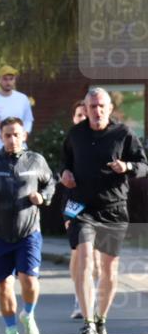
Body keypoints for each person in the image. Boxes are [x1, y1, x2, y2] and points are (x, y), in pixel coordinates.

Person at [61, 87, 148, 334]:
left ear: (109, 109)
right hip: (82, 208)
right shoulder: (75, 134)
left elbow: (143, 165)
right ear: (85, 109)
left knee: (109, 269)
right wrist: (64, 174)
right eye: (92, 107)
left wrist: (128, 166)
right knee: (85, 257)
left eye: (101, 106)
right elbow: (64, 163)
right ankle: (87, 324)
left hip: (113, 209)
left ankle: (100, 320)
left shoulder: (123, 134)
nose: (97, 111)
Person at [0, 117, 56, 334]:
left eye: (16, 134)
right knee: (4, 285)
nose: (12, 139)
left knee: (29, 278)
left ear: (24, 135)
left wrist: (43, 197)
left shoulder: (35, 160)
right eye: (7, 135)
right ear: (1, 137)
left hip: (28, 231)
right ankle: (10, 332)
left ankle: (28, 314)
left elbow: (50, 183)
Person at [67, 99, 98, 320]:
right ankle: (79, 297)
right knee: (77, 253)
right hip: (73, 201)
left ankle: (90, 298)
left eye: (84, 114)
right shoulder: (72, 139)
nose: (82, 118)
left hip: (98, 203)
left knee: (93, 255)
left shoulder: (96, 138)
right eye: (78, 115)